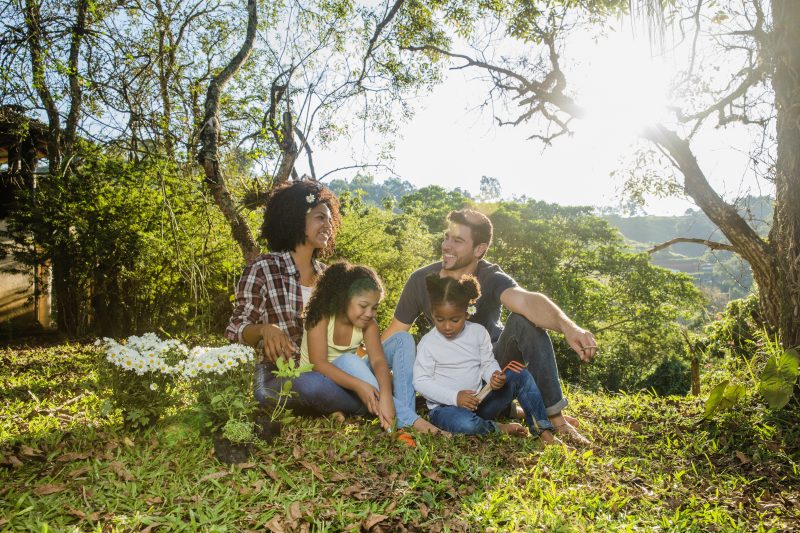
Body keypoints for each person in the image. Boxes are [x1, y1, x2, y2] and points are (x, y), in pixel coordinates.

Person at [225, 179, 439, 433]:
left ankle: (388, 411)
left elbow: (350, 335)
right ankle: (389, 408)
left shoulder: (330, 278)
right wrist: (264, 330)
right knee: (313, 386)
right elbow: (236, 328)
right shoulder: (263, 268)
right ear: (295, 218)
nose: (328, 226)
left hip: (336, 370)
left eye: (329, 219)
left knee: (385, 351)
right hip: (284, 376)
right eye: (319, 218)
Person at [384, 208, 597, 443]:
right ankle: (505, 414)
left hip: (491, 370)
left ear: (479, 249)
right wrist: (365, 363)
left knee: (522, 321)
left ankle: (555, 418)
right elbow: (396, 333)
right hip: (447, 374)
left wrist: (569, 327)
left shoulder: (491, 276)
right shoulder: (422, 280)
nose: (446, 246)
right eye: (446, 237)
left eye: (457, 240)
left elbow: (527, 301)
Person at [413, 274, 559, 443]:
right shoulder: (428, 343)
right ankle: (497, 427)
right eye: (439, 319)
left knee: (520, 374)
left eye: (454, 320)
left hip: (480, 401)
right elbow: (421, 381)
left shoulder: (478, 332)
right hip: (446, 409)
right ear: (432, 313)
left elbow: (487, 363)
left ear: (467, 313)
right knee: (465, 424)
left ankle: (543, 431)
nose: (446, 326)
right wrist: (455, 398)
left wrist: (494, 375)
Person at [301, 262, 430, 432]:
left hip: (356, 380)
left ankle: (404, 419)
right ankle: (416, 424)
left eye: (374, 308)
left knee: (403, 339)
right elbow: (318, 363)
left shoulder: (369, 324)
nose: (369, 313)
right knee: (349, 359)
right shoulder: (321, 315)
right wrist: (359, 386)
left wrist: (385, 394)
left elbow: (378, 361)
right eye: (363, 306)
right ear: (344, 299)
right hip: (324, 383)